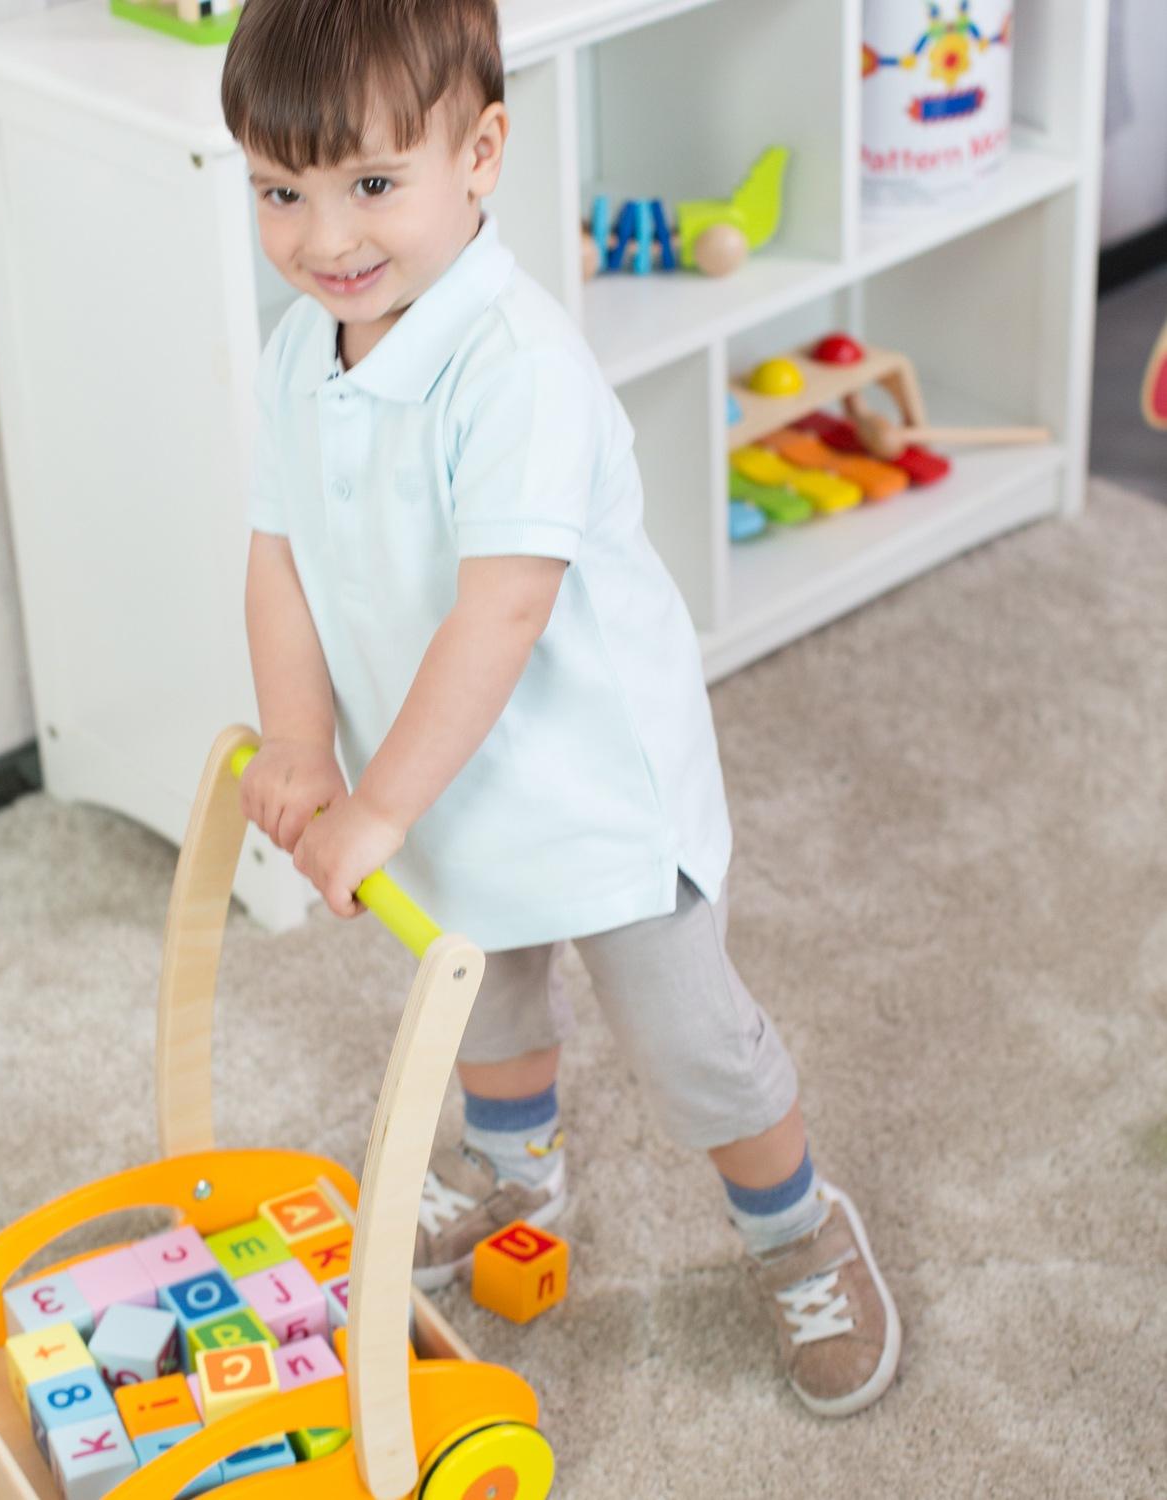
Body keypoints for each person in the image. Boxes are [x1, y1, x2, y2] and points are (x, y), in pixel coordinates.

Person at [220, 0, 901, 1416]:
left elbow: (504, 611)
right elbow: (277, 553)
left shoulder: (513, 366)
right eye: (281, 190)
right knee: (484, 996)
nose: (322, 236)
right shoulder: (303, 348)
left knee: (688, 1038)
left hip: (589, 786)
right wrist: (299, 743)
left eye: (369, 185)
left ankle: (798, 1230)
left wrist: (379, 801)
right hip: (443, 774)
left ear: (481, 155)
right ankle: (514, 1171)